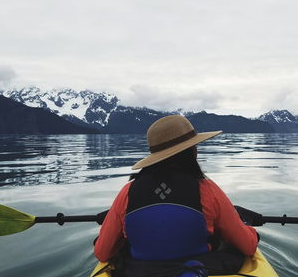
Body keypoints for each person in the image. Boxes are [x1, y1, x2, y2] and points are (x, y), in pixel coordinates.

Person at [94, 115, 259, 276]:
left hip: (140, 271)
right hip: (198, 269)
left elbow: (102, 253)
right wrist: (250, 230)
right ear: (190, 151)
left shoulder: (127, 192)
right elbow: (248, 246)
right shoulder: (207, 189)